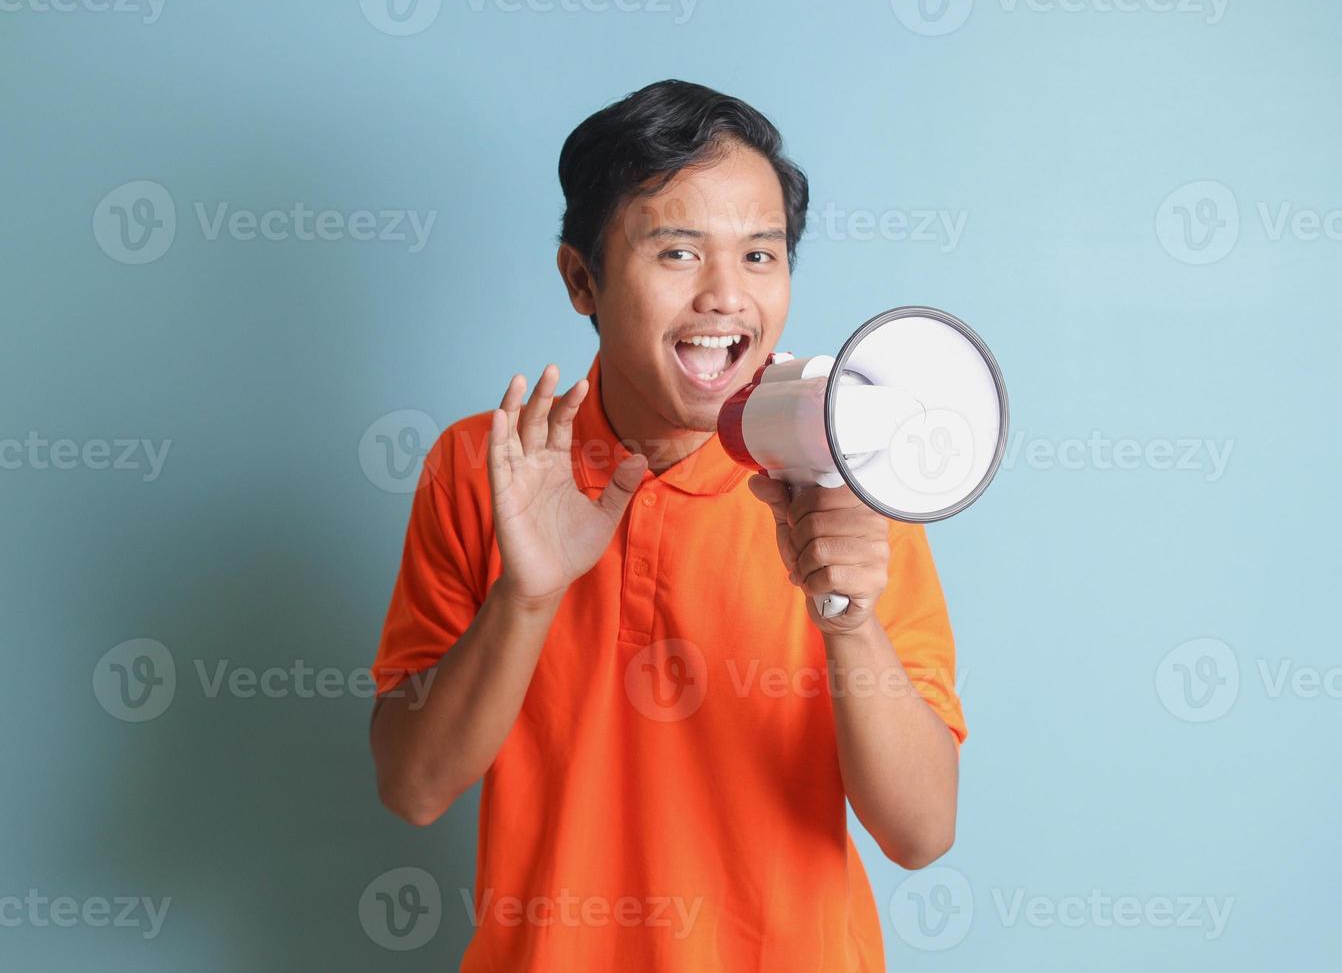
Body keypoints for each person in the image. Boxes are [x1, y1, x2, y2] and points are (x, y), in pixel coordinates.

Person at [369, 78, 966, 972]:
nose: (727, 298)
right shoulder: (480, 468)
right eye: (679, 253)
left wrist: (848, 620)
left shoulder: (846, 470)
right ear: (582, 280)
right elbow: (413, 788)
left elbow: (921, 833)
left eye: (760, 256)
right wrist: (526, 599)